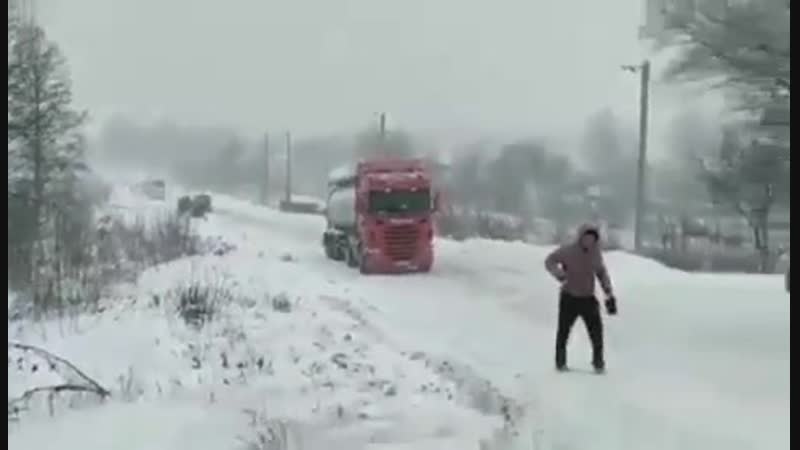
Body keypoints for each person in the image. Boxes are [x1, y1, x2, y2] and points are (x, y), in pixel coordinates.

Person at [545, 223, 617, 373]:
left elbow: (601, 273)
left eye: (592, 239)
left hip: (587, 298)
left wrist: (608, 292)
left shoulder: (595, 254)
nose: (589, 241)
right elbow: (550, 260)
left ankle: (598, 364)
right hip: (569, 297)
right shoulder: (568, 251)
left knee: (597, 332)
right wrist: (559, 274)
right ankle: (560, 362)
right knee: (563, 332)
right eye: (586, 238)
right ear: (581, 237)